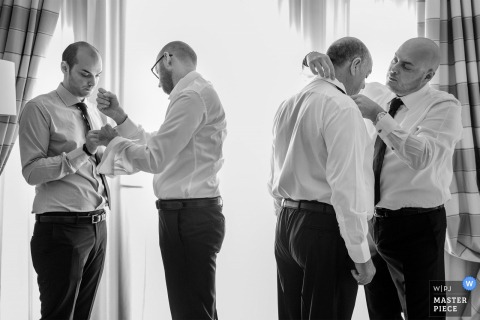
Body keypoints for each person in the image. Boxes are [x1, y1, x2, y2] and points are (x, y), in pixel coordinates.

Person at [306, 37, 463, 319]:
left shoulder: (444, 106)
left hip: (419, 227)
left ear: (427, 75)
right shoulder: (375, 92)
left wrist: (378, 116)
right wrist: (311, 59)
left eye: (406, 66)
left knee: (426, 313)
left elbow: (421, 157)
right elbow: (331, 85)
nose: (393, 69)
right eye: (394, 59)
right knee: (380, 312)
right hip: (375, 225)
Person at [94, 41, 226, 320]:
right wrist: (119, 117)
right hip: (191, 214)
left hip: (188, 217)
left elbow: (156, 158)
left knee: (190, 311)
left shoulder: (191, 96)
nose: (158, 84)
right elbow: (158, 143)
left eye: (157, 71)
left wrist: (113, 141)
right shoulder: (197, 93)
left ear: (168, 59)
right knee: (196, 308)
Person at [268, 37, 376, 320]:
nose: (364, 84)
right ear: (355, 65)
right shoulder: (341, 106)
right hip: (324, 229)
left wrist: (287, 221)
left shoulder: (288, 104)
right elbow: (347, 188)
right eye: (365, 75)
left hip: (287, 225)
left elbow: (273, 173)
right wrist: (361, 256)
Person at [19, 41, 109, 320]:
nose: (92, 82)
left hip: (97, 227)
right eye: (84, 74)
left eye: (97, 75)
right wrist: (83, 151)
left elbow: (96, 164)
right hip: (62, 230)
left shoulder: (92, 111)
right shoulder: (39, 108)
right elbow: (31, 171)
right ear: (64, 68)